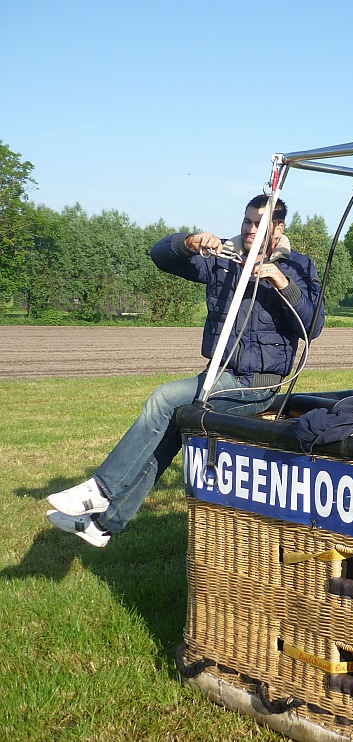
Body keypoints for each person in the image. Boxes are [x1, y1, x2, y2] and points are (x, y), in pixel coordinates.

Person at [45, 195, 324, 547]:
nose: (251, 229)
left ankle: (100, 490)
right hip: (218, 376)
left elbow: (312, 327)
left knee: (163, 399)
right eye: (247, 221)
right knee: (171, 430)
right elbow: (160, 256)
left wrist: (283, 283)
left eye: (259, 223)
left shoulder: (298, 266)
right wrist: (188, 242)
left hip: (256, 386)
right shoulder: (224, 259)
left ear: (278, 229)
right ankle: (102, 525)